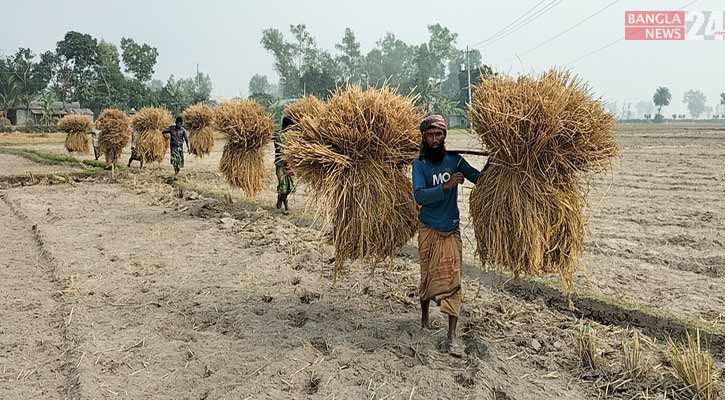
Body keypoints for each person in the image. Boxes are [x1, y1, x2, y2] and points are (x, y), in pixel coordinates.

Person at [412, 114, 486, 357]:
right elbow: (420, 196)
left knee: (454, 281)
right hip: (428, 228)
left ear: (445, 136)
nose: (434, 139)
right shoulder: (419, 165)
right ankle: (424, 318)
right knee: (427, 275)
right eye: (430, 135)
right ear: (424, 137)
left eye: (439, 134)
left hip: (450, 229)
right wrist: (446, 186)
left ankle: (451, 337)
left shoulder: (455, 160)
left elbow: (479, 179)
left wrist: (497, 161)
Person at [274, 115, 296, 212]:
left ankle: (280, 198)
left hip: (291, 165)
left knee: (290, 188)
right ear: (286, 126)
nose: (291, 128)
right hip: (280, 165)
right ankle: (286, 205)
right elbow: (281, 149)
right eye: (290, 126)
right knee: (283, 186)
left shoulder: (293, 137)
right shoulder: (278, 135)